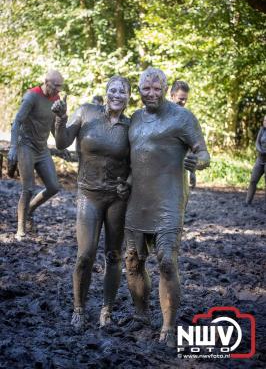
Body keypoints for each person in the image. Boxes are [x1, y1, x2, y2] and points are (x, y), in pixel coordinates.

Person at [124, 67, 210, 347]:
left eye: (156, 88)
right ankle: (141, 315)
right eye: (146, 89)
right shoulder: (135, 118)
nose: (151, 93)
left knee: (166, 261)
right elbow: (132, 158)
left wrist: (198, 161)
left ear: (165, 88)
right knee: (133, 261)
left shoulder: (182, 117)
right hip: (138, 201)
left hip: (169, 200)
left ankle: (169, 326)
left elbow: (204, 152)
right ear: (139, 90)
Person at [52, 75, 131, 331]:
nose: (117, 95)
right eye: (113, 90)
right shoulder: (86, 112)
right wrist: (60, 118)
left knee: (113, 255)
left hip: (117, 198)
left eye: (123, 91)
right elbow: (62, 141)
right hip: (89, 194)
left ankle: (106, 310)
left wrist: (128, 182)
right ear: (106, 92)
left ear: (129, 96)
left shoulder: (132, 125)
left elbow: (140, 161)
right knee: (85, 255)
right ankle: (79, 308)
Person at [8, 70, 64, 238]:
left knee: (54, 187)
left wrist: (62, 145)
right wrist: (13, 147)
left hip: (42, 148)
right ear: (46, 82)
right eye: (56, 86)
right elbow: (17, 121)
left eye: (60, 87)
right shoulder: (31, 97)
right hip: (25, 145)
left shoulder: (56, 99)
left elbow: (53, 126)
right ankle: (20, 229)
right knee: (28, 188)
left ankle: (29, 209)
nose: (58, 90)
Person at [171, 80, 196, 189]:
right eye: (181, 99)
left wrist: (192, 173)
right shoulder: (159, 114)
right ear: (172, 95)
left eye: (185, 99)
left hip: (179, 173)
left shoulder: (187, 119)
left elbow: (192, 147)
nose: (184, 102)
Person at [246, 115, 266, 204]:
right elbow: (257, 142)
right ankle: (247, 202)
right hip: (260, 159)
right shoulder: (262, 130)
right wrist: (260, 150)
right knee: (253, 180)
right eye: (264, 120)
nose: (265, 122)